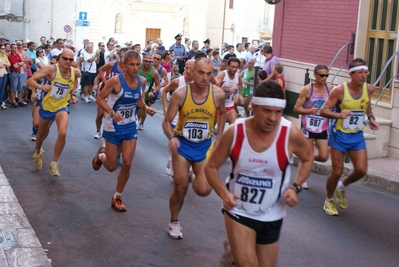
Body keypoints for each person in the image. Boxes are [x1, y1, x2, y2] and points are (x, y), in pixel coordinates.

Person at [205, 80, 313, 267]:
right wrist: (225, 194)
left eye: (278, 112)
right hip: (238, 210)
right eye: (267, 111)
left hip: (273, 212)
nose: (272, 118)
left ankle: (233, 253)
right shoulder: (236, 132)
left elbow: (308, 158)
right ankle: (236, 252)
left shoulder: (290, 134)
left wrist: (295, 187)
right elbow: (211, 167)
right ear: (254, 107)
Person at [162, 57, 226, 239]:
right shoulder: (181, 94)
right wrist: (172, 137)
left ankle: (191, 174)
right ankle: (174, 221)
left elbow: (222, 114)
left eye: (209, 73)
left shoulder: (218, 94)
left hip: (204, 146)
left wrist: (220, 136)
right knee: (180, 187)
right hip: (182, 145)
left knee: (204, 190)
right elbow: (166, 122)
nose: (205, 77)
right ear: (192, 72)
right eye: (201, 73)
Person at [92, 50, 156, 212]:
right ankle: (101, 155)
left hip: (130, 127)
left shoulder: (141, 81)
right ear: (125, 65)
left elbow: (139, 100)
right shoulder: (115, 81)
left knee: (127, 163)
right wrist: (112, 113)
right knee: (112, 166)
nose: (135, 68)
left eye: (137, 64)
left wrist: (146, 108)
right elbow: (99, 99)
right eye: (132, 65)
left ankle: (117, 196)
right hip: (113, 127)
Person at [320, 58, 379, 216]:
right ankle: (329, 200)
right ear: (351, 74)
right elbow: (323, 111)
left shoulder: (369, 89)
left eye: (365, 72)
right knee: (337, 171)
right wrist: (339, 114)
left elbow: (366, 105)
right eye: (360, 72)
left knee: (361, 170)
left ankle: (341, 186)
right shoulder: (339, 90)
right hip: (339, 135)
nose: (363, 75)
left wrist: (371, 118)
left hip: (356, 135)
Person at [27, 49, 81, 176]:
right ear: (60, 58)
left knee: (62, 133)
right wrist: (41, 87)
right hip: (47, 106)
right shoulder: (51, 69)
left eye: (71, 59)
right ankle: (38, 151)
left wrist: (73, 94)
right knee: (41, 133)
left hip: (62, 106)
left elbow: (74, 81)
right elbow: (30, 80)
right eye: (65, 58)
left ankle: (54, 163)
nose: (68, 61)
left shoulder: (76, 72)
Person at [294, 64, 334, 189]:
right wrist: (308, 111)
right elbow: (296, 108)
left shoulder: (330, 88)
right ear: (315, 75)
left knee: (323, 156)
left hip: (322, 127)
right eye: (322, 75)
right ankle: (302, 179)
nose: (324, 78)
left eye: (326, 75)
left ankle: (308, 160)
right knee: (307, 154)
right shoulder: (307, 89)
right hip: (308, 128)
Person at [137, 53, 160, 130]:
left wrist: (153, 92)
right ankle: (135, 122)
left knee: (143, 110)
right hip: (135, 93)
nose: (147, 63)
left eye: (150, 62)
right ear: (142, 60)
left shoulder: (154, 72)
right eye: (146, 61)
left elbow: (158, 85)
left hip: (146, 95)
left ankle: (141, 122)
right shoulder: (137, 67)